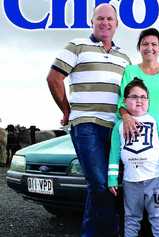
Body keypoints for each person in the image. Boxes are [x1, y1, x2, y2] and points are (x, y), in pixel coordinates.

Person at [47, 3, 131, 237]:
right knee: (99, 184)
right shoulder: (76, 46)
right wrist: (66, 110)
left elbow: (130, 93)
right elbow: (54, 78)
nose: (105, 23)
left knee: (107, 186)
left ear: (117, 24)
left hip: (115, 129)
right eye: (100, 18)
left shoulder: (124, 57)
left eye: (110, 19)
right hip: (86, 124)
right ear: (91, 22)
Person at [108, 78, 159, 237]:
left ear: (148, 101)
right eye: (134, 97)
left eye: (143, 97)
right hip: (131, 182)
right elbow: (114, 154)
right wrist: (112, 179)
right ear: (125, 101)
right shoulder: (119, 126)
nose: (139, 100)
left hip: (155, 180)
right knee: (131, 218)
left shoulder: (156, 120)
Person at [118, 28, 159, 141]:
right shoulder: (130, 71)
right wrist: (126, 117)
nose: (149, 48)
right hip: (134, 134)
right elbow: (122, 102)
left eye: (154, 44)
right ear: (139, 48)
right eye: (145, 44)